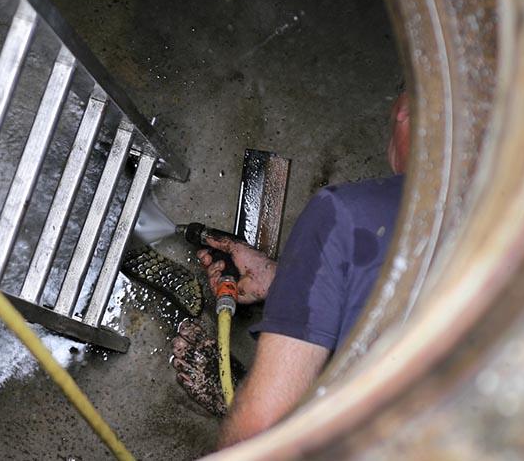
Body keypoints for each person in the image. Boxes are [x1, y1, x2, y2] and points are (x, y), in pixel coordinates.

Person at [172, 89, 411, 448]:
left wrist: (234, 399)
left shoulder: (344, 214)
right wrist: (289, 284)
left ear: (404, 110)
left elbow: (258, 433)